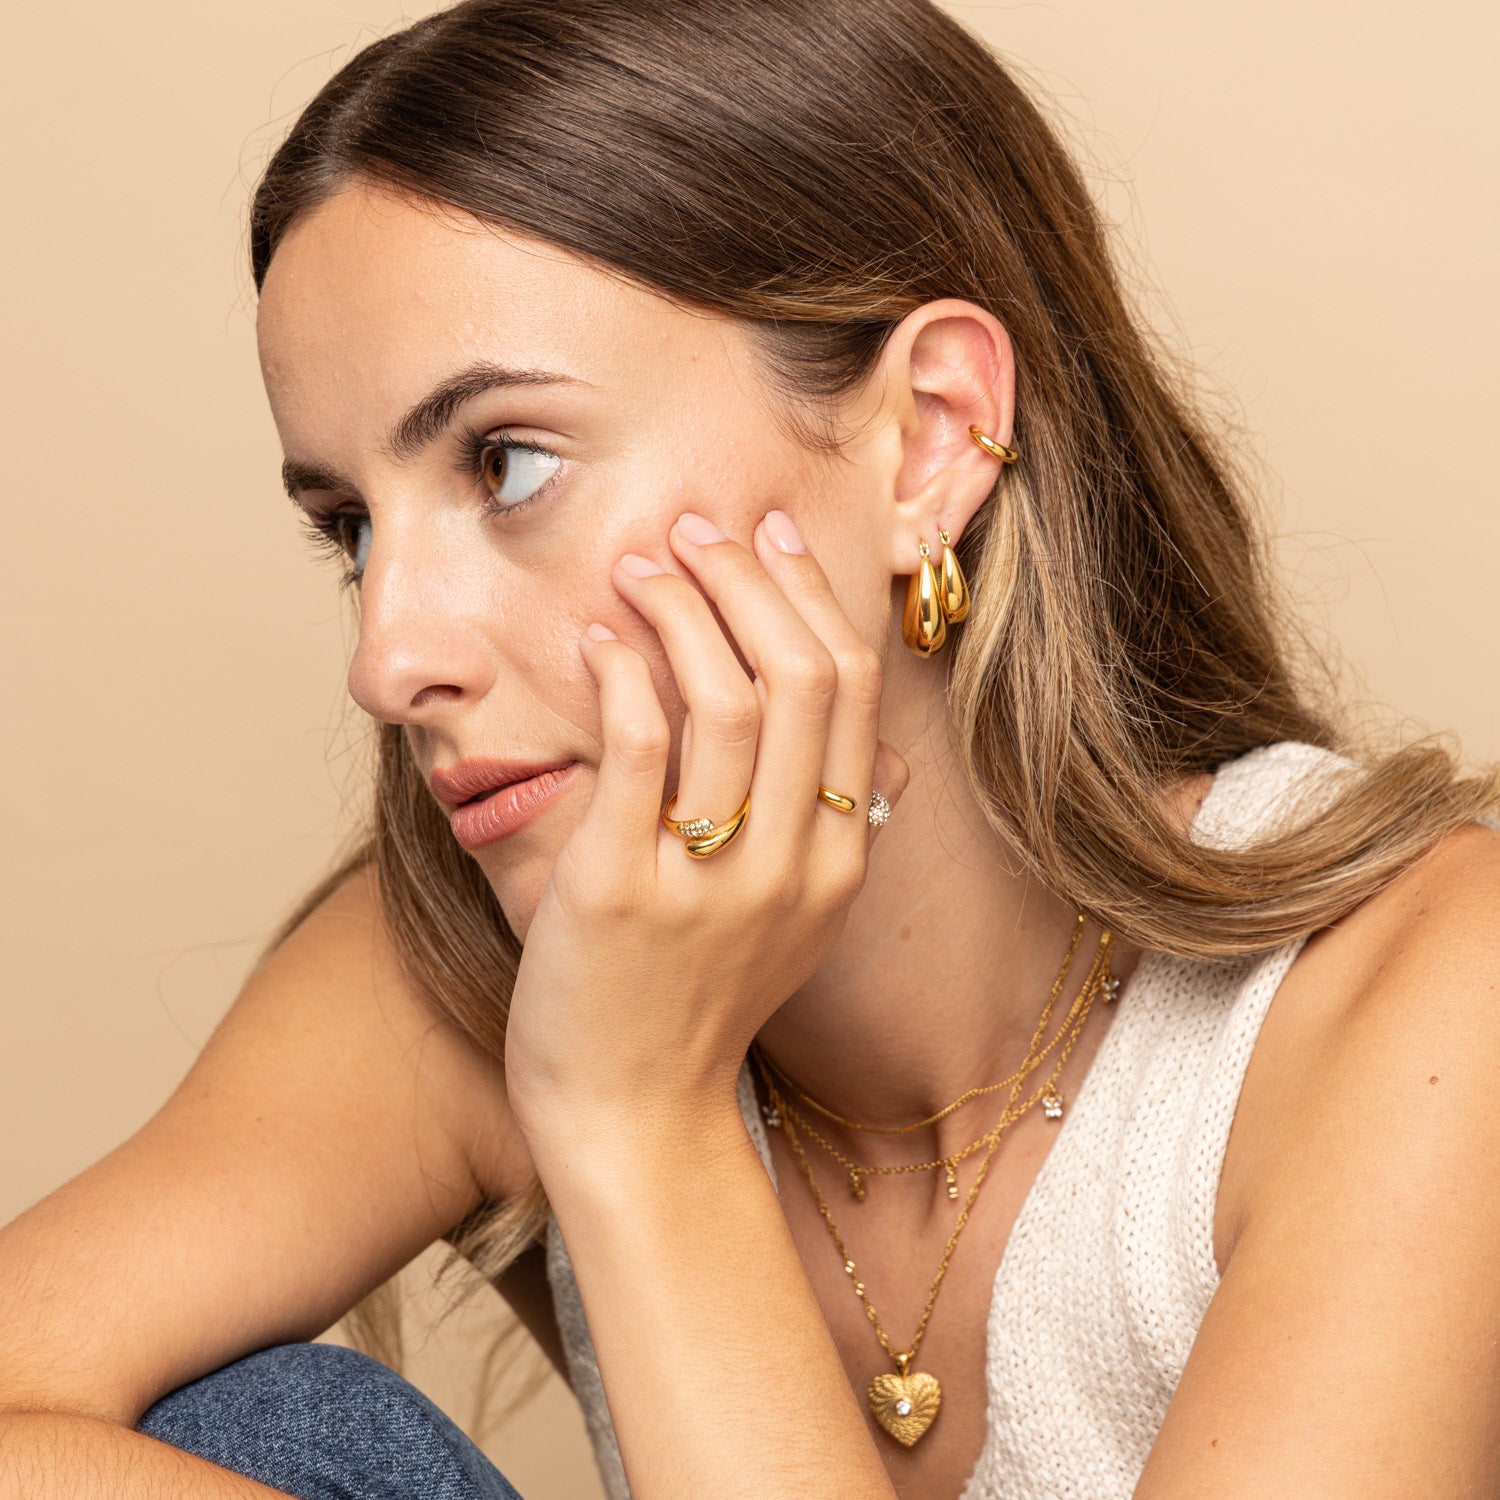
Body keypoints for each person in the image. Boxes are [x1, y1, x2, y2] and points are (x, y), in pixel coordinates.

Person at [2, 0, 1498, 1496]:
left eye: (507, 463)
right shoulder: (470, 959)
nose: (387, 663)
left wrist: (637, 1114)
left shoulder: (1423, 997)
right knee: (258, 1428)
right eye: (352, 530)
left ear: (928, 439)